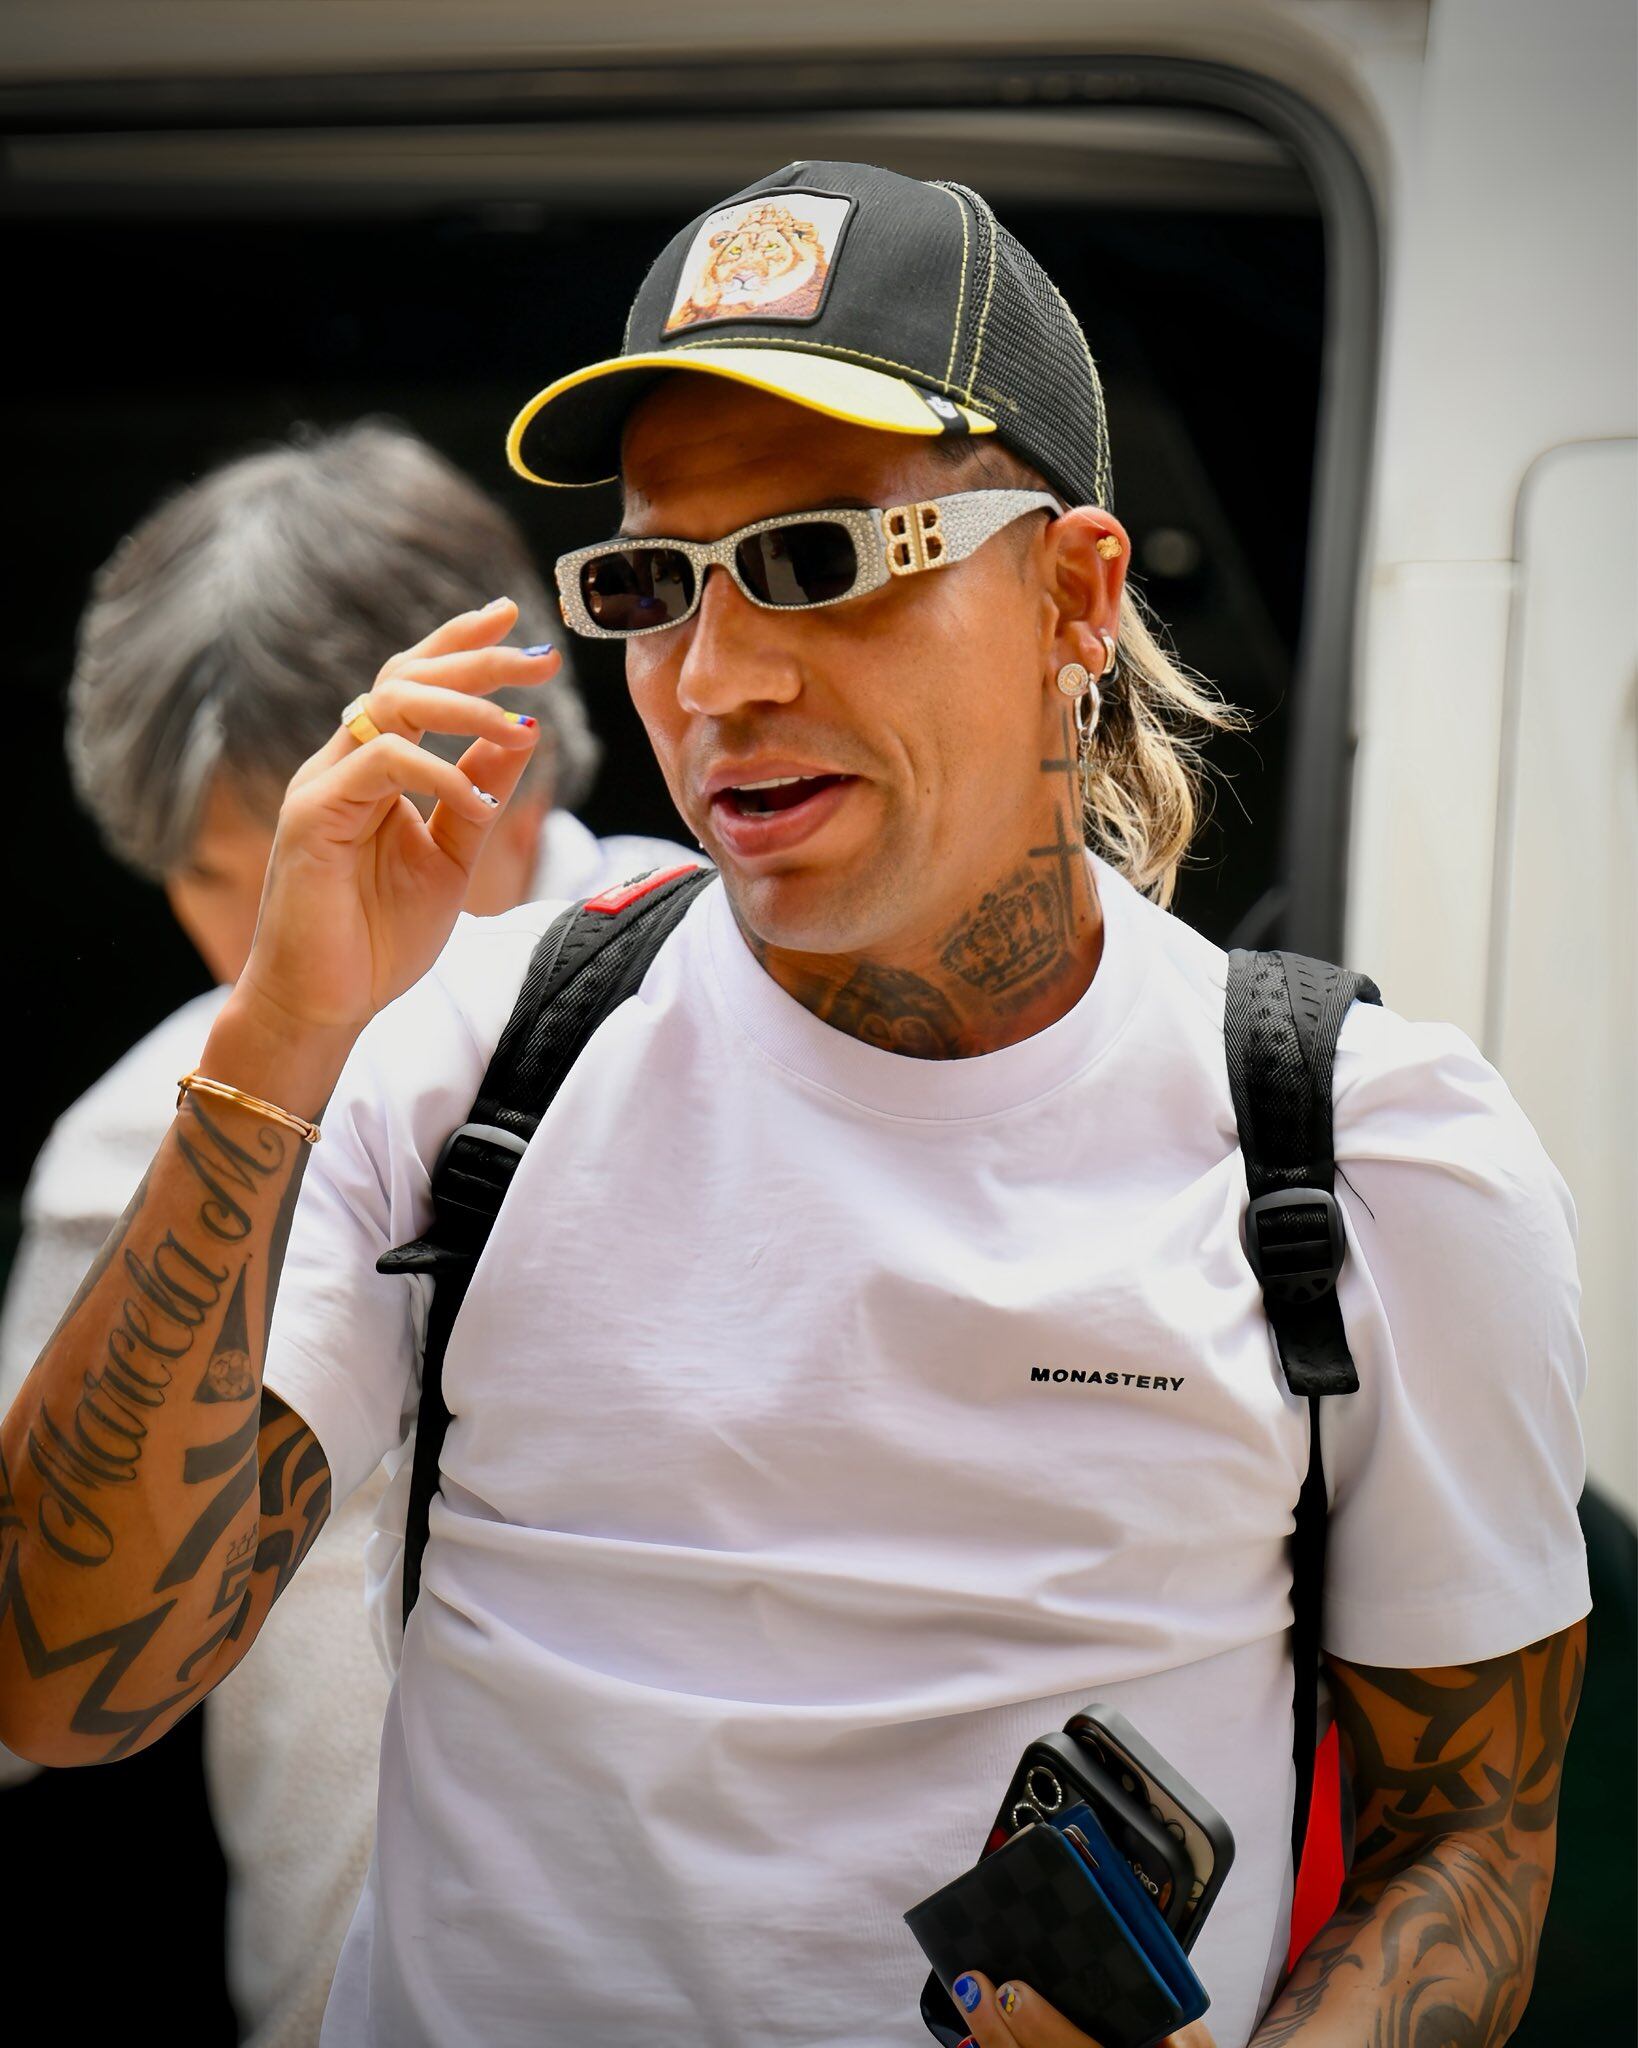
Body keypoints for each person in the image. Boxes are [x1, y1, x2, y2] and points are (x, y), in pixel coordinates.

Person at [0, 164, 1590, 2048]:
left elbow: (1468, 1839)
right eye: (652, 583)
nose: (719, 676)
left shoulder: (1366, 1149)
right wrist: (277, 1031)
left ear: (1075, 593)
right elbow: (64, 1679)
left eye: (820, 561)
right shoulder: (461, 1056)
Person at [0, 418, 689, 2046]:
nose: (276, 944)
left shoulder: (743, 1014)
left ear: (494, 736)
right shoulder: (134, 1137)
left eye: (319, 843)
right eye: (213, 881)